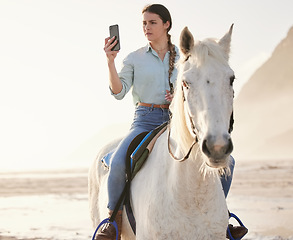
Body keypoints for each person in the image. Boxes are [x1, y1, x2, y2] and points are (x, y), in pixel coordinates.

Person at [95, 4, 247, 240]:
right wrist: (110, 62)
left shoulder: (188, 56)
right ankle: (112, 222)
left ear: (167, 25)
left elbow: (196, 87)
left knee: (230, 164)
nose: (147, 27)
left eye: (152, 22)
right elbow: (118, 91)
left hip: (179, 121)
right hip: (145, 120)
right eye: (144, 23)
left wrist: (177, 96)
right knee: (117, 163)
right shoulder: (134, 58)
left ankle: (221, 217)